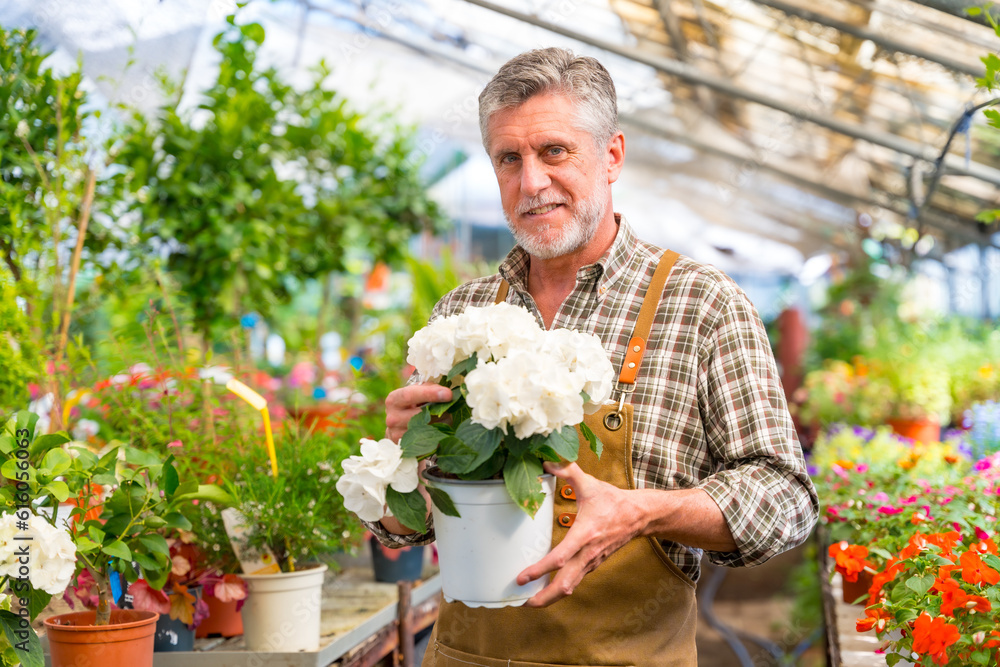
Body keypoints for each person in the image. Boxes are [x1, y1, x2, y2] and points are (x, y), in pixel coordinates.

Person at [367, 47, 818, 667]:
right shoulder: (460, 317)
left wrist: (642, 512)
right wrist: (403, 462)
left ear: (611, 156)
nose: (531, 182)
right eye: (508, 158)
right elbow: (409, 529)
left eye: (554, 151)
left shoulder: (702, 304)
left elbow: (785, 499)